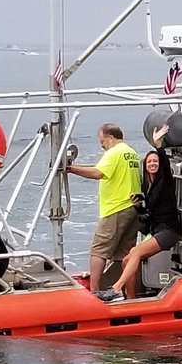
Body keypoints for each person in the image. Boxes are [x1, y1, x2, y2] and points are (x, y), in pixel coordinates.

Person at [108, 125, 182, 300]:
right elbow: (149, 215)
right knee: (127, 259)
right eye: (149, 162)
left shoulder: (165, 181)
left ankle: (117, 288)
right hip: (157, 230)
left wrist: (158, 146)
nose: (153, 163)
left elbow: (164, 163)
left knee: (136, 253)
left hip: (169, 230)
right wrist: (139, 207)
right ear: (145, 166)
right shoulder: (146, 187)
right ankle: (131, 299)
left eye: (155, 161)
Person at [65, 123, 142, 292]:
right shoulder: (132, 153)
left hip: (117, 207)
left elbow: (97, 173)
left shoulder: (114, 152)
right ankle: (130, 295)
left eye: (103, 142)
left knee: (99, 250)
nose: (102, 146)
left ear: (110, 138)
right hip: (133, 208)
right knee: (126, 255)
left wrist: (69, 169)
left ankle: (93, 292)